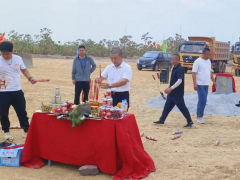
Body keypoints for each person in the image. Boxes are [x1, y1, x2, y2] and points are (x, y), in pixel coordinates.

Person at [0, 41, 37, 141]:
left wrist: (30, 78)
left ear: (12, 51)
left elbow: (24, 70)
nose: (5, 55)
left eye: (7, 53)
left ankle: (26, 130)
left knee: (21, 111)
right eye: (3, 53)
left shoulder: (18, 59)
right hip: (3, 92)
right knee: (3, 113)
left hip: (17, 90)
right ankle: (6, 131)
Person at [154, 54, 194, 128]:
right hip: (172, 93)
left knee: (182, 108)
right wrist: (168, 88)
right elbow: (173, 81)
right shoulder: (174, 68)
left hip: (177, 93)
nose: (172, 61)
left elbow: (179, 81)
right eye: (172, 59)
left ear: (178, 60)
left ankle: (190, 122)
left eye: (174, 60)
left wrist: (171, 88)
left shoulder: (180, 69)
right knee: (167, 107)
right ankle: (162, 120)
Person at [192, 48, 215, 124]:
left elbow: (210, 71)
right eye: (207, 54)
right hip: (200, 84)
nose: (208, 56)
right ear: (203, 53)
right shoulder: (197, 62)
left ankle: (198, 115)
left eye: (209, 54)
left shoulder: (208, 61)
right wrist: (194, 83)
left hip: (206, 84)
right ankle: (200, 116)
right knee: (203, 100)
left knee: (202, 100)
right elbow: (194, 73)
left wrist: (213, 81)